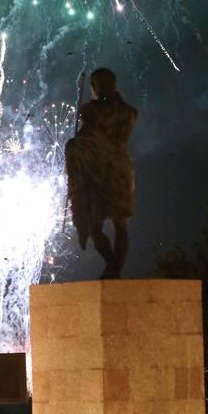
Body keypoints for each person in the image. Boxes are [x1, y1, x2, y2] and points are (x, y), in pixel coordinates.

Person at [65, 68, 138, 278]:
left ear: (95, 86)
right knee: (121, 224)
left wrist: (73, 146)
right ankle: (115, 270)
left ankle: (112, 267)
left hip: (100, 171)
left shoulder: (90, 111)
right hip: (123, 169)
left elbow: (85, 140)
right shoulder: (130, 112)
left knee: (95, 226)